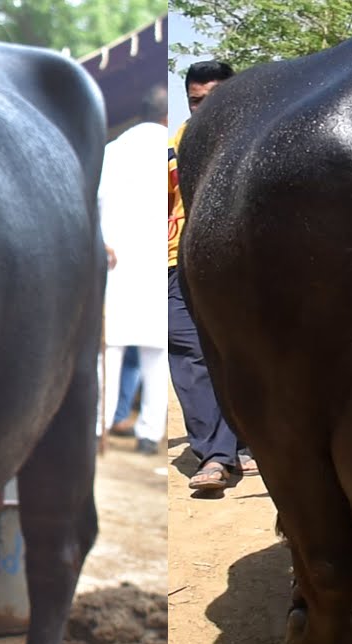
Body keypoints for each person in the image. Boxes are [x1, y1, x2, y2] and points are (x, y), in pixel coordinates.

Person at [169, 60, 258, 491]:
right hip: (176, 264)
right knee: (190, 352)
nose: (204, 110)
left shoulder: (260, 139)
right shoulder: (174, 148)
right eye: (195, 101)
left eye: (215, 99)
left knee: (242, 352)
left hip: (238, 265)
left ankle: (247, 440)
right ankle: (216, 456)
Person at [100, 86, 170, 454]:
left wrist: (101, 241)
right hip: (159, 264)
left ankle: (99, 427)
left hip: (116, 262)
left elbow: (91, 200)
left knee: (109, 350)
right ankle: (148, 435)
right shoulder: (173, 152)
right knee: (157, 357)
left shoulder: (113, 150)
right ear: (167, 117)